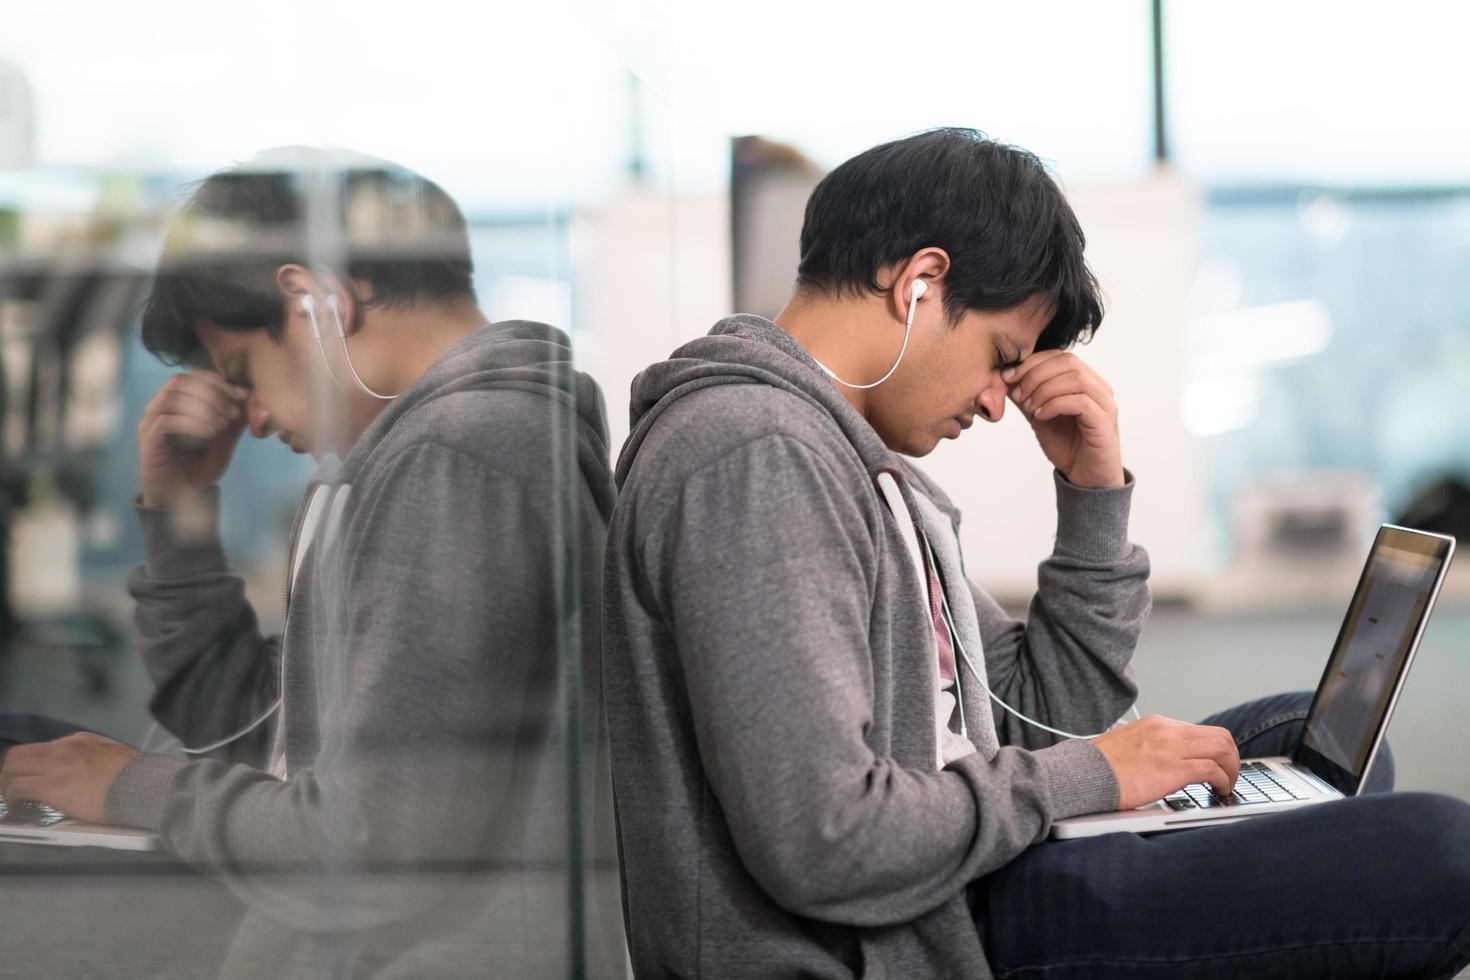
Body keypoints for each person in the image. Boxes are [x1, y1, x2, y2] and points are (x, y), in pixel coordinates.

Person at [601, 128, 1470, 979]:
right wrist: (1090, 778)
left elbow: (1042, 711)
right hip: (925, 925)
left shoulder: (852, 462)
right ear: (921, 283)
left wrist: (1092, 496)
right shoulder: (757, 455)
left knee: (1303, 740)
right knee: (1440, 851)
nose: (992, 403)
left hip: (963, 869)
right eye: (999, 356)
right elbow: (825, 840)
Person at [0, 148, 624, 979]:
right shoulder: (400, 459)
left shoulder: (456, 457)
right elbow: (263, 732)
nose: (249, 417)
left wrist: (130, 787)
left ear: (314, 301)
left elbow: (377, 846)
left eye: (241, 371)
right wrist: (183, 516)